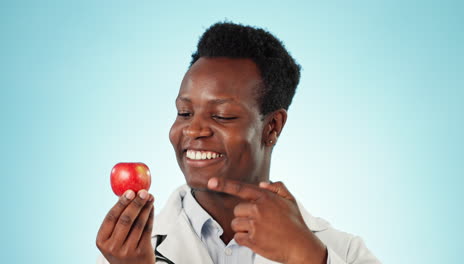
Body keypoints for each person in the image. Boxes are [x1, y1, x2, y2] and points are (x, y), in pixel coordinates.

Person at [96, 22, 381, 264]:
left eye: (222, 115)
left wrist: (307, 256)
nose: (193, 129)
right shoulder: (125, 252)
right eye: (184, 112)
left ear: (272, 126)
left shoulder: (342, 252)